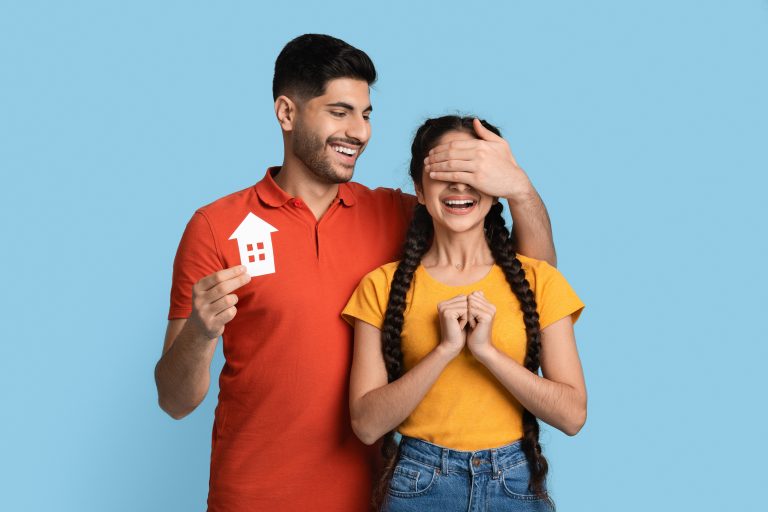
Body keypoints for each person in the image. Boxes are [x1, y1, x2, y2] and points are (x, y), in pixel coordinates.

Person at [154, 34, 557, 511]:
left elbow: (531, 282)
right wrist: (200, 332)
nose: (360, 132)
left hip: (383, 497)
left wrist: (520, 190)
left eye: (366, 115)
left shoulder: (399, 216)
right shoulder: (215, 227)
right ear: (286, 113)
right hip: (253, 496)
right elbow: (174, 401)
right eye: (339, 112)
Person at [343, 116, 586, 511]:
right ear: (419, 190)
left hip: (515, 484)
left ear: (496, 190)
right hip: (419, 485)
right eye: (443, 172)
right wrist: (443, 351)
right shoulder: (380, 287)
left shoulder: (540, 280)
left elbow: (573, 416)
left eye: (473, 171)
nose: (458, 185)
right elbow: (366, 425)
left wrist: (487, 352)